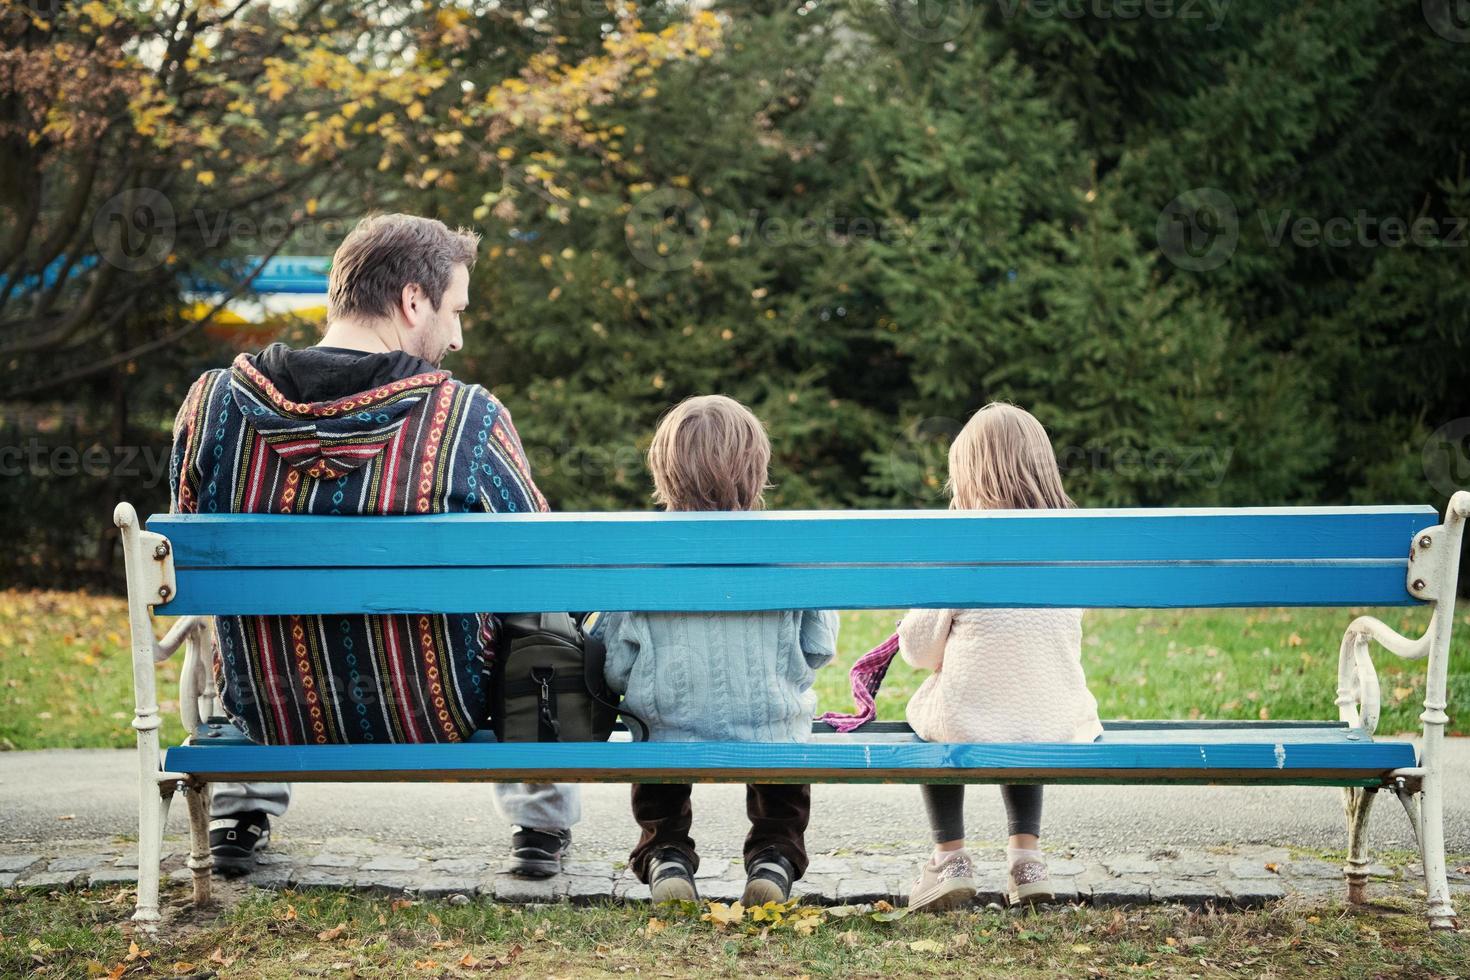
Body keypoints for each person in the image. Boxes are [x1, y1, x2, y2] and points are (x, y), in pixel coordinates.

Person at [167, 213, 579, 878]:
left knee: (233, 609)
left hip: (271, 704)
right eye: (455, 310)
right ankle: (539, 822)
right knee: (538, 609)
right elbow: (544, 567)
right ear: (413, 300)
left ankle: (239, 811)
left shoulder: (211, 406)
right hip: (432, 703)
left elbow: (187, 548)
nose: (457, 335)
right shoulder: (466, 419)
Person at [592, 395, 838, 905]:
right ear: (756, 468)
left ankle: (665, 853)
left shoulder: (640, 553)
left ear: (664, 470)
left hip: (668, 726)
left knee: (651, 734)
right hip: (769, 720)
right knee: (783, 738)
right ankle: (775, 854)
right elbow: (819, 647)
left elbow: (616, 663)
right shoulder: (790, 548)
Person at [901, 403, 1102, 912]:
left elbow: (919, 652)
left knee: (933, 718)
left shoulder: (959, 546)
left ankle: (950, 858)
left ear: (966, 473)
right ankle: (1026, 860)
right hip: (1053, 716)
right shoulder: (1070, 545)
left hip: (973, 716)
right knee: (1021, 706)